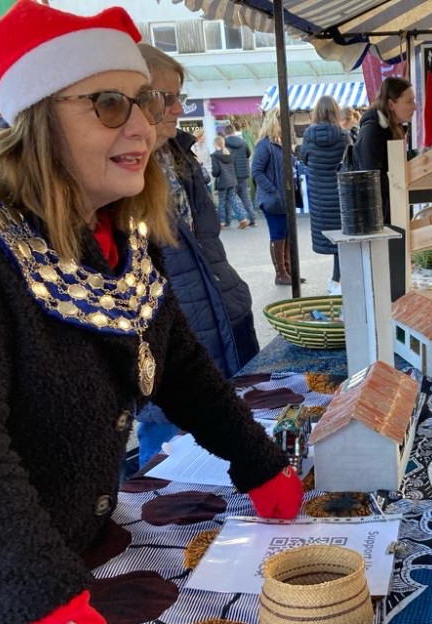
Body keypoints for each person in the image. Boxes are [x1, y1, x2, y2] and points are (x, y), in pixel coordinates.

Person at [0, 4, 302, 624]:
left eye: (147, 100)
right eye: (109, 104)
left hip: (74, 550)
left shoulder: (115, 232)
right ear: (34, 121)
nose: (145, 127)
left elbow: (179, 364)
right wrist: (51, 614)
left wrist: (259, 461)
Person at [134, 43, 262, 465]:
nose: (176, 107)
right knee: (168, 462)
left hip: (213, 314)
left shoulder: (177, 157)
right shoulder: (126, 170)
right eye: (164, 97)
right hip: (170, 337)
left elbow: (205, 242)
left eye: (178, 97)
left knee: (220, 445)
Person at [300, 95, 348, 295]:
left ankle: (336, 281)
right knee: (343, 241)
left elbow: (304, 160)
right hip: (340, 197)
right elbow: (351, 162)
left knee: (331, 240)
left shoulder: (308, 136)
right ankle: (337, 279)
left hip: (320, 198)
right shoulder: (344, 136)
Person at [252, 106, 304, 286]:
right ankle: (281, 273)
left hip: (284, 198)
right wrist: (273, 191)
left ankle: (287, 271)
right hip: (273, 200)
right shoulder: (265, 145)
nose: (287, 124)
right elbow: (257, 171)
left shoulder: (280, 144)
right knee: (278, 235)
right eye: (284, 121)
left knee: (286, 234)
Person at [354, 76, 416, 225]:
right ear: (391, 104)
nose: (414, 107)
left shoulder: (395, 128)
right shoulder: (372, 131)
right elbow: (370, 179)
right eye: (409, 101)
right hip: (378, 221)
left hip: (392, 213)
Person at [211, 134, 248, 228]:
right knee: (233, 200)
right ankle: (243, 219)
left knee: (222, 202)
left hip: (222, 182)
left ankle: (221, 222)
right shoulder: (229, 153)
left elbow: (216, 171)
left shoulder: (215, 156)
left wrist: (214, 174)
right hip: (232, 180)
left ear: (216, 144)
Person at [223, 122, 257, 226]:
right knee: (245, 198)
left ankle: (228, 220)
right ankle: (253, 219)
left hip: (231, 175)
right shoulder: (243, 142)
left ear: (225, 133)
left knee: (229, 198)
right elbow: (248, 154)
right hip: (244, 175)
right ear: (233, 132)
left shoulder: (224, 144)